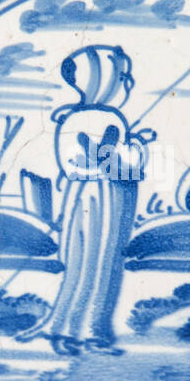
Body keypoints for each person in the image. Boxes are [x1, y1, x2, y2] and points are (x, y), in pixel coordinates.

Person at [21, 45, 153, 355]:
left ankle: (70, 330)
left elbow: (78, 163)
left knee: (84, 264)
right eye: (123, 77)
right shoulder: (106, 117)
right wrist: (133, 150)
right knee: (99, 264)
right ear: (103, 79)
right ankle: (84, 332)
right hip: (104, 198)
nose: (127, 84)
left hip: (85, 195)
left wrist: (117, 153)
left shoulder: (72, 119)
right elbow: (120, 165)